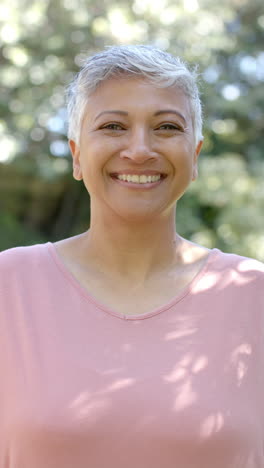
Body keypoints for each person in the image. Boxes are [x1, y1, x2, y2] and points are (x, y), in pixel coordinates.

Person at [0, 45, 263, 468]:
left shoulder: (254, 294)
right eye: (113, 126)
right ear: (77, 154)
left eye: (166, 127)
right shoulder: (8, 287)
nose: (140, 149)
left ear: (194, 157)